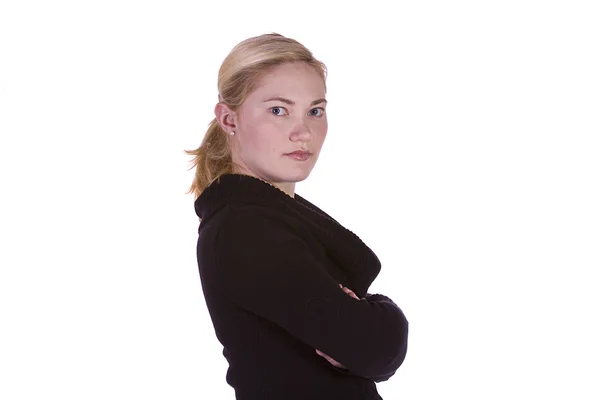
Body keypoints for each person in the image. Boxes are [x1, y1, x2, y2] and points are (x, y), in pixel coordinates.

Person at [185, 32, 409, 399]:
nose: (303, 132)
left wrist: (372, 319)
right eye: (278, 110)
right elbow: (373, 349)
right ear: (229, 120)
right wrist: (386, 315)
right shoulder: (245, 229)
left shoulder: (268, 218)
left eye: (315, 111)